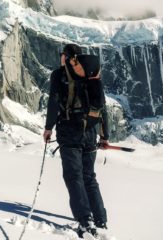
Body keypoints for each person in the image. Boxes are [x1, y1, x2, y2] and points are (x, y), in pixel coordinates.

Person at [43, 43, 109, 239]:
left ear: (68, 57)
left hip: (69, 131)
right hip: (90, 131)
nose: (61, 58)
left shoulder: (58, 75)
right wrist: (105, 136)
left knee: (74, 177)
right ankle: (100, 219)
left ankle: (84, 220)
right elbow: (102, 107)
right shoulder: (91, 74)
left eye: (62, 55)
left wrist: (48, 128)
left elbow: (54, 103)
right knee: (89, 177)